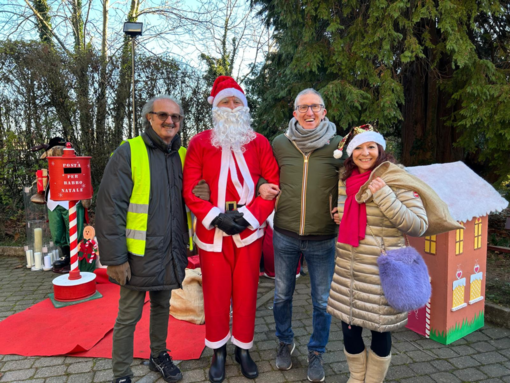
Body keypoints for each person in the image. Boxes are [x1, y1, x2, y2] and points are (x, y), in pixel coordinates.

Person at [183, 76, 279, 383]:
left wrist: (249, 217)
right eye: (225, 101)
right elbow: (190, 190)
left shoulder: (259, 142)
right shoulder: (199, 143)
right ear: (215, 107)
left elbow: (272, 183)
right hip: (213, 235)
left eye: (237, 101)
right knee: (215, 293)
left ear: (245, 107)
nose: (232, 106)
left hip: (249, 233)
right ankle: (218, 350)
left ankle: (243, 349)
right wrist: (215, 216)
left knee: (247, 293)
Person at [96, 96, 188, 383]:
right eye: (163, 115)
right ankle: (121, 373)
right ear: (149, 117)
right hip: (136, 257)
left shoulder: (183, 155)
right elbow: (110, 208)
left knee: (162, 307)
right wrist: (115, 258)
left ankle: (158, 355)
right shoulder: (129, 152)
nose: (170, 121)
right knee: (128, 317)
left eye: (175, 117)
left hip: (170, 250)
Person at [327, 125, 428, 383]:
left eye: (370, 146)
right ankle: (356, 377)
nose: (365, 153)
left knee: (380, 331)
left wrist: (383, 194)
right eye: (358, 148)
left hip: (380, 271)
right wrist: (340, 216)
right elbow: (348, 212)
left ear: (380, 149)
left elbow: (418, 224)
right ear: (350, 154)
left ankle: (373, 380)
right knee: (349, 329)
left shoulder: (397, 177)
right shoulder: (345, 180)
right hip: (348, 268)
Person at [260, 88, 344, 382]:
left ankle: (317, 351)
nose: (310, 113)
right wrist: (261, 187)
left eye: (316, 107)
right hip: (285, 233)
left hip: (323, 236)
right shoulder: (280, 143)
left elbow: (352, 183)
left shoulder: (340, 146)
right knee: (282, 295)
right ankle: (285, 342)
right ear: (294, 113)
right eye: (303, 108)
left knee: (322, 301)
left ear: (324, 111)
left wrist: (342, 209)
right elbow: (265, 174)